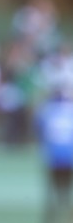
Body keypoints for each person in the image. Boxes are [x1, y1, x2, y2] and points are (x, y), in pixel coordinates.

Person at [36, 88, 73, 223]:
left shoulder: (47, 111)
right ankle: (65, 213)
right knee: (66, 189)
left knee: (53, 188)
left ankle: (53, 214)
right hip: (69, 156)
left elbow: (40, 130)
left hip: (54, 157)